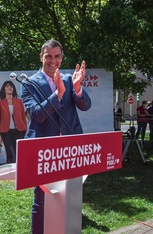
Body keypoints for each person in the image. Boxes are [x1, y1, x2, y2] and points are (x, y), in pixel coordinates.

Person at [21, 39, 91, 233]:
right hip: (44, 152)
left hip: (70, 151)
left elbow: (85, 105)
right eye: (48, 56)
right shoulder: (30, 83)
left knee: (71, 201)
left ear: (62, 58)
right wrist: (58, 95)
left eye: (57, 56)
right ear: (41, 56)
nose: (53, 61)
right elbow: (36, 115)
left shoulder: (70, 79)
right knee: (42, 201)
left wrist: (76, 88)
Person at [0, 81, 27, 163]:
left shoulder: (19, 101)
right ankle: (10, 173)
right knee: (10, 154)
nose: (10, 88)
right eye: (7, 86)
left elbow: (23, 117)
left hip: (19, 130)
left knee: (18, 154)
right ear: (4, 89)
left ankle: (18, 173)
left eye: (11, 86)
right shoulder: (0, 103)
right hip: (6, 131)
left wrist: (26, 130)